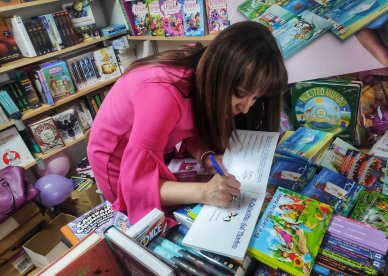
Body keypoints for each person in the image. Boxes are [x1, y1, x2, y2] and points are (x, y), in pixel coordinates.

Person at [87, 21, 288, 224]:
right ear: (219, 74)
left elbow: (187, 124)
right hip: (115, 160)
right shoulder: (162, 95)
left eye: (255, 98)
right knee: (144, 223)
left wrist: (206, 156)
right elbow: (135, 187)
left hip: (149, 147)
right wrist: (204, 192)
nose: (245, 108)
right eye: (240, 94)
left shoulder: (201, 70)